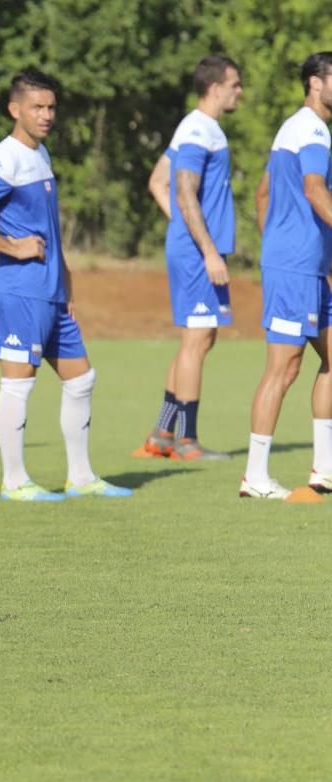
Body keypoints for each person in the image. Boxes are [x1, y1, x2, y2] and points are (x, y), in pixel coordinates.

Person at [0, 69, 132, 502]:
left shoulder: (41, 153)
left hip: (51, 292)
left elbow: (48, 227)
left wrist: (66, 280)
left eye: (51, 107)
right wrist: (11, 247)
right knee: (18, 384)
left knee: (82, 379)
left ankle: (81, 477)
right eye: (37, 107)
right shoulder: (7, 157)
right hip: (19, 290)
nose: (47, 114)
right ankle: (14, 482)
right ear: (15, 109)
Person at [136, 55, 242, 461]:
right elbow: (182, 190)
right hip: (200, 253)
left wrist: (181, 229)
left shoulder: (192, 127)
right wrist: (208, 249)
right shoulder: (200, 129)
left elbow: (156, 182)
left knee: (197, 339)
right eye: (234, 84)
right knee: (197, 341)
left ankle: (164, 431)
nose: (239, 92)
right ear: (215, 88)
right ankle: (187, 440)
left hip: (193, 246)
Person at [240, 52, 332, 500]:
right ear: (316, 82)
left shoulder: (296, 128)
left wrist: (278, 241)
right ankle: (255, 477)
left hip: (305, 267)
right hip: (296, 269)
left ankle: (325, 470)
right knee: (284, 368)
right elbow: (315, 190)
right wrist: (285, 251)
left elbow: (263, 193)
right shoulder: (313, 129)